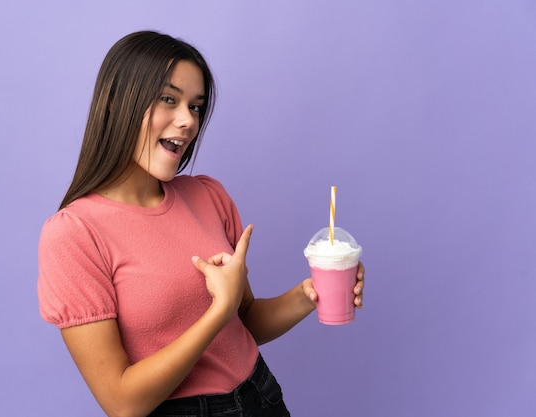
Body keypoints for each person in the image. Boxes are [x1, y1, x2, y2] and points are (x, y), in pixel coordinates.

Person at [37, 30, 365, 417]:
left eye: (195, 106)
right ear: (114, 103)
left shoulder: (208, 196)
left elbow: (243, 322)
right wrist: (217, 311)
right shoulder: (74, 234)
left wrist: (310, 294)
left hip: (262, 397)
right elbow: (122, 402)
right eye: (168, 99)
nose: (188, 121)